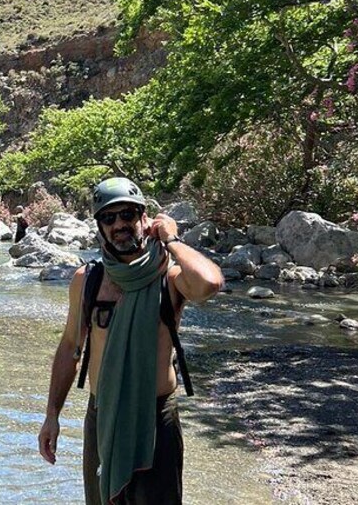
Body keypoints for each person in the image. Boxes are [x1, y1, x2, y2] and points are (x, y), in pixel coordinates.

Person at [38, 177, 223, 505]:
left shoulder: (170, 277)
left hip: (156, 419)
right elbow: (70, 348)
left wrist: (172, 240)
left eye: (127, 215)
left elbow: (209, 283)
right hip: (102, 416)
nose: (119, 224)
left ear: (144, 218)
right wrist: (52, 414)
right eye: (108, 218)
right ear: (99, 226)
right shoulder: (89, 280)